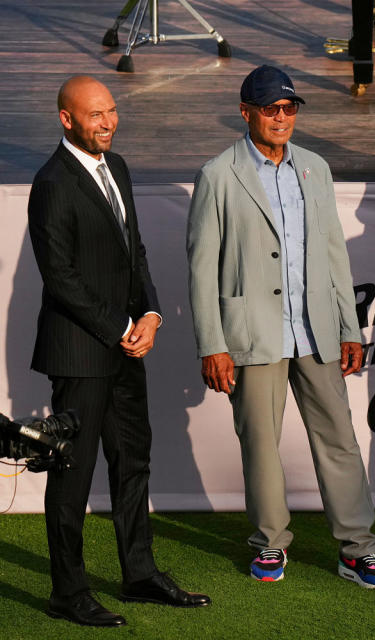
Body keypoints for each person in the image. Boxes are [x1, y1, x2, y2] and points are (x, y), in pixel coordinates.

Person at [186, 65, 375, 589]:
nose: (282, 118)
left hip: (317, 328)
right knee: (260, 442)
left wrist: (350, 326)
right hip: (251, 333)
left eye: (289, 108)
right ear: (246, 112)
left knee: (340, 440)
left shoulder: (315, 168)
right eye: (271, 109)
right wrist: (212, 343)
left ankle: (358, 549)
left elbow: (333, 254)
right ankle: (270, 544)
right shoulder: (217, 174)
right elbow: (201, 266)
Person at [28, 76, 210, 627]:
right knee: (73, 476)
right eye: (95, 115)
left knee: (133, 463)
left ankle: (139, 575)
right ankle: (68, 592)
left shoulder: (119, 167)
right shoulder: (51, 183)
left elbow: (136, 253)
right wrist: (123, 327)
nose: (108, 123)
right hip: (81, 355)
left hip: (127, 348)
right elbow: (59, 278)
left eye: (112, 111)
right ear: (66, 119)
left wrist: (151, 314)